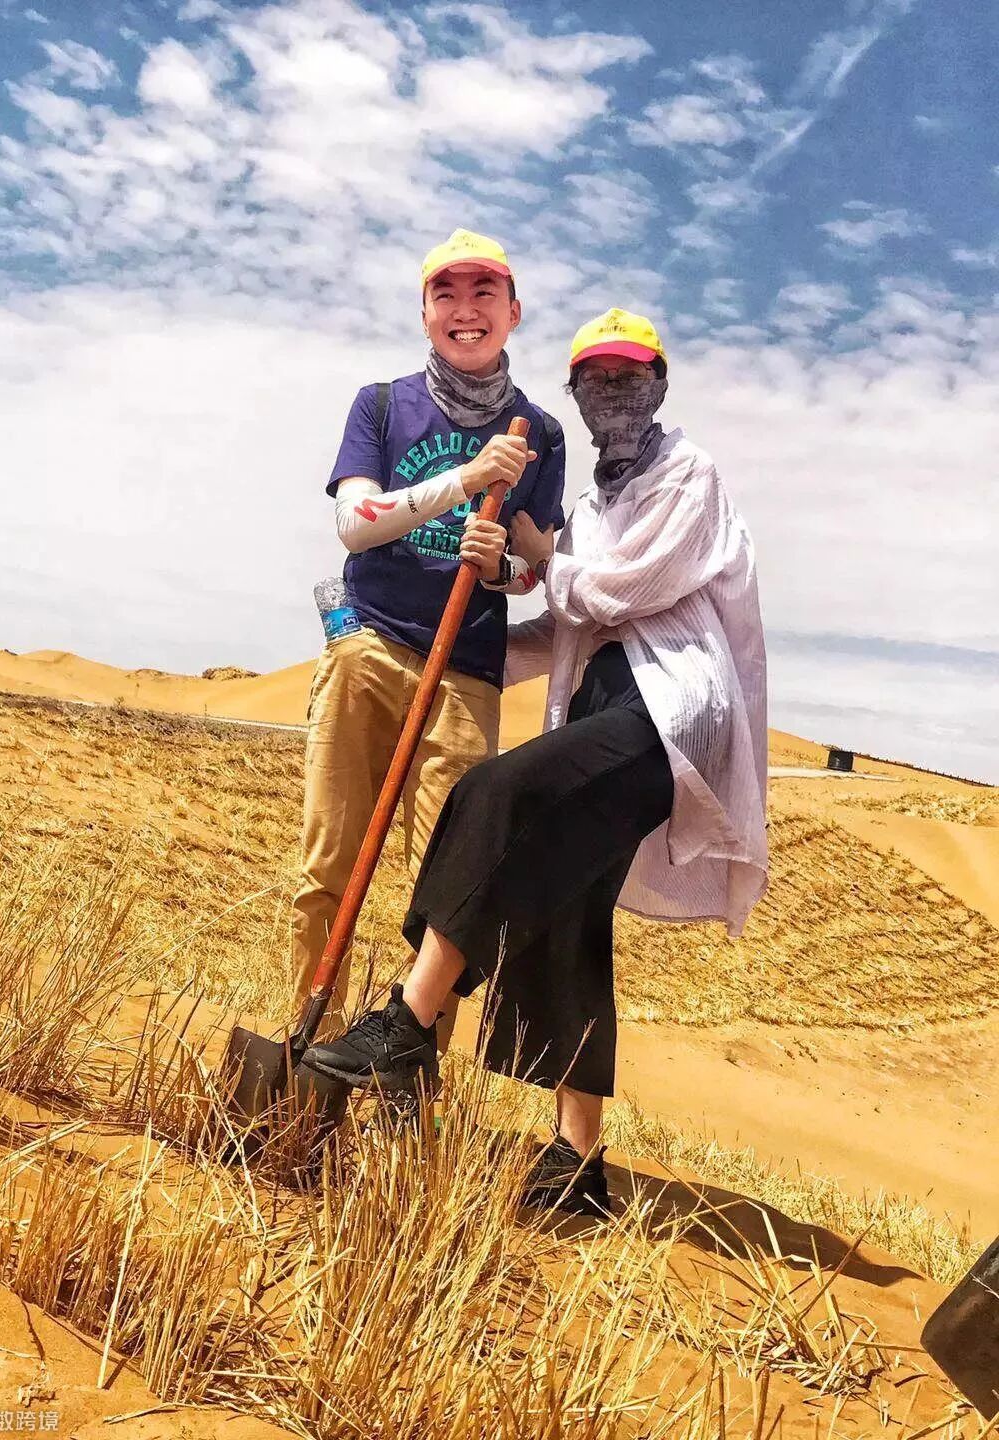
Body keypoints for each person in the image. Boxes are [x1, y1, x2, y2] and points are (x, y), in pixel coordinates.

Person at [302, 308, 769, 1216]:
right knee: (567, 916)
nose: (613, 393)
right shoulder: (592, 507)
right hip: (604, 696)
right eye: (595, 378)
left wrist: (537, 556)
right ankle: (577, 1164)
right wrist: (470, 629)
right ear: (577, 394)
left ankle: (408, 1023)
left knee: (496, 791)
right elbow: (564, 626)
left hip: (670, 707)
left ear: (660, 384)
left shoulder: (689, 474)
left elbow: (626, 590)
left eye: (629, 375)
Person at [290, 229, 567, 1039]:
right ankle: (304, 1044)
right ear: (424, 313)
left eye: (484, 293)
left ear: (513, 312)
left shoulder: (540, 433)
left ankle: (406, 1071)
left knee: (445, 900)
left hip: (466, 674)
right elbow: (354, 523)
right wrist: (466, 481)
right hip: (370, 650)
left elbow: (536, 567)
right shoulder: (382, 405)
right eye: (446, 293)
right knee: (325, 871)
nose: (465, 309)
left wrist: (498, 568)